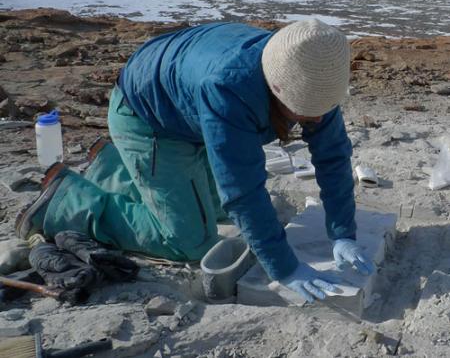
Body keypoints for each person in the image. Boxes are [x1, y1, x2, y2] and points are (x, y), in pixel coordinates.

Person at [16, 19, 374, 303]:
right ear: (279, 89)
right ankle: (65, 202)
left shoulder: (310, 69)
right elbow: (243, 192)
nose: (312, 121)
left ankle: (113, 166)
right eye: (304, 114)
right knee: (190, 239)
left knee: (221, 210)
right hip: (148, 118)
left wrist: (343, 233)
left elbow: (333, 157)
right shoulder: (230, 86)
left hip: (187, 110)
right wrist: (285, 268)